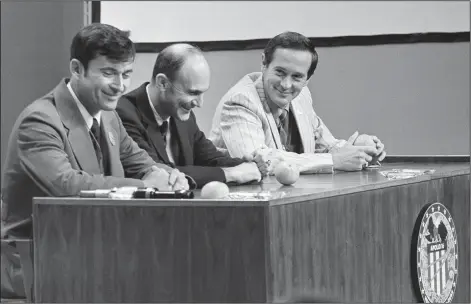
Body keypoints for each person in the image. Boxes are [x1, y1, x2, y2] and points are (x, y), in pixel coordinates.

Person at [0, 23, 189, 299]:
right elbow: (67, 185)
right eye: (109, 73)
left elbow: (141, 162)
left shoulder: (109, 116)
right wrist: (147, 186)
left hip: (93, 252)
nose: (120, 85)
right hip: (35, 264)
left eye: (126, 74)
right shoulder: (39, 120)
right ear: (77, 69)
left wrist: (169, 176)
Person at [209, 31, 386, 175]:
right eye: (280, 72)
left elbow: (325, 144)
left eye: (297, 77)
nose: (286, 85)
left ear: (307, 79)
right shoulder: (240, 101)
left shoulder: (301, 96)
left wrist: (359, 150)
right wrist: (335, 160)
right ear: (264, 63)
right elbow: (261, 162)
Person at [116, 43, 263, 188]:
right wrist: (230, 174)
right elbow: (158, 173)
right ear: (162, 83)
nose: (199, 104)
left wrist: (249, 164)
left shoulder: (182, 114)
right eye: (193, 93)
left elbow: (210, 158)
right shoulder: (124, 113)